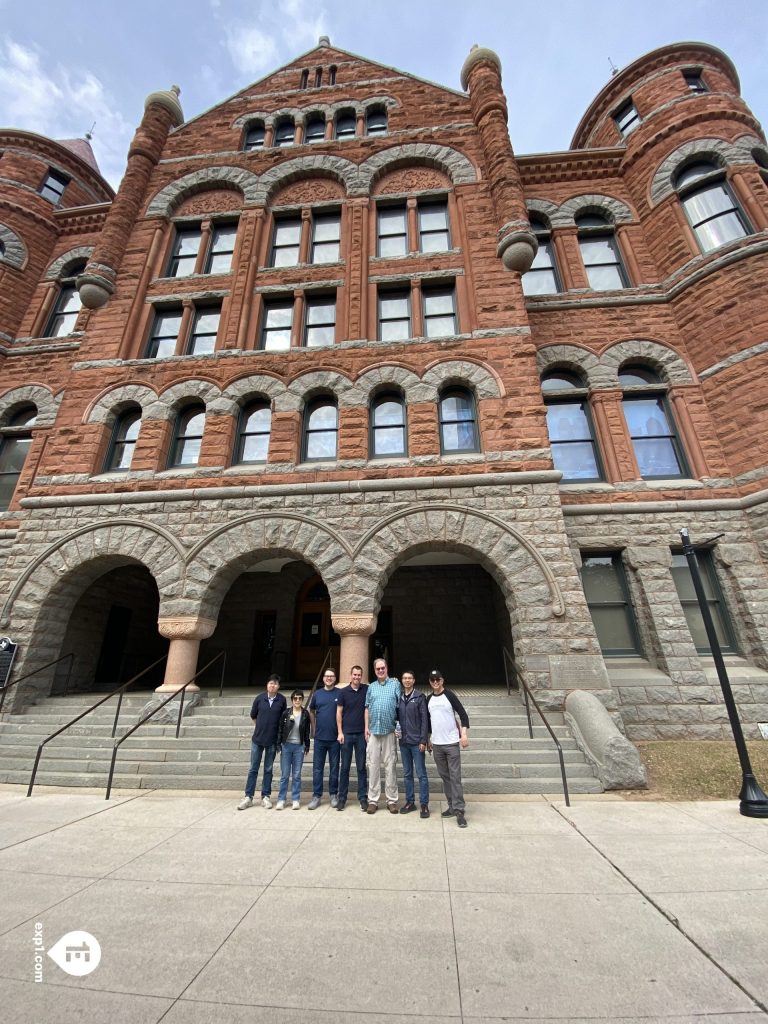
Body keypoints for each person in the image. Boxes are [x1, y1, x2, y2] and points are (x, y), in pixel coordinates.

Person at [426, 669, 470, 827]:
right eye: (432, 680)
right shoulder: (429, 699)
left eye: (438, 679)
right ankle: (451, 805)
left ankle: (459, 810)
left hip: (451, 743)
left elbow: (463, 715)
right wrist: (428, 739)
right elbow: (427, 722)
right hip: (437, 744)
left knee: (455, 777)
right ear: (430, 682)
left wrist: (463, 735)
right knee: (445, 777)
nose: (435, 682)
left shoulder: (449, 696)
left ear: (442, 680)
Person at [238, 674, 287, 810]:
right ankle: (248, 796)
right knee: (253, 769)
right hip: (257, 740)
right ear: (267, 685)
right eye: (271, 683)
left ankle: (266, 796)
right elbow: (253, 716)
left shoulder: (282, 700)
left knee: (268, 769)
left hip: (272, 741)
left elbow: (283, 719)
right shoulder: (260, 698)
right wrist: (260, 727)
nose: (273, 686)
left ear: (278, 686)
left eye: (276, 684)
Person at [364, 657, 401, 814]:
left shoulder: (395, 684)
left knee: (390, 766)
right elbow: (367, 708)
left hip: (389, 731)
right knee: (372, 766)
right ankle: (373, 800)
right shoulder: (371, 687)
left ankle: (391, 800)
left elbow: (400, 707)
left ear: (387, 668)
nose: (380, 670)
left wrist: (399, 727)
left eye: (383, 668)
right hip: (373, 732)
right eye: (378, 669)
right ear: (374, 670)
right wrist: (366, 727)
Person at [396, 670, 430, 818]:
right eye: (405, 678)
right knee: (407, 774)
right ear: (402, 681)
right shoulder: (399, 698)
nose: (407, 680)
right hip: (403, 742)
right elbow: (397, 718)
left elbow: (425, 720)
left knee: (421, 774)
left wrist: (423, 740)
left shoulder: (420, 697)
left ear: (414, 680)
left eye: (410, 678)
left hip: (417, 742)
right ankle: (410, 802)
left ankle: (424, 804)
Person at [336, 664, 368, 811]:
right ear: (351, 675)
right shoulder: (343, 692)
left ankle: (363, 798)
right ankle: (342, 798)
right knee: (345, 768)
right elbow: (339, 713)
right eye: (354, 675)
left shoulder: (366, 690)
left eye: (359, 675)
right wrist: (340, 732)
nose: (356, 677)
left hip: (361, 735)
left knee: (361, 768)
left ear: (361, 676)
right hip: (347, 735)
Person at [307, 667, 340, 809]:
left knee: (334, 768)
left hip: (335, 738)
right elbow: (311, 711)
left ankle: (333, 794)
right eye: (327, 676)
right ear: (323, 678)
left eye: (332, 676)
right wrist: (313, 728)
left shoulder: (340, 693)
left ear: (335, 678)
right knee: (318, 768)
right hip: (320, 738)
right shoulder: (317, 694)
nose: (329, 678)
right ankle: (317, 795)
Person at [276, 690, 311, 809]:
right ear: (292, 700)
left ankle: (296, 799)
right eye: (295, 698)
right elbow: (280, 728)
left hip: (299, 747)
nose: (297, 700)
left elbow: (307, 731)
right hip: (286, 746)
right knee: (285, 775)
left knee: (296, 775)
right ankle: (281, 799)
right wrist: (278, 744)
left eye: (300, 698)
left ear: (302, 700)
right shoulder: (286, 713)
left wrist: (307, 745)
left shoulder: (305, 714)